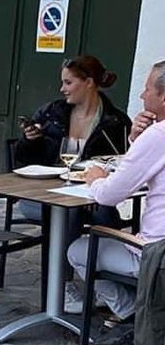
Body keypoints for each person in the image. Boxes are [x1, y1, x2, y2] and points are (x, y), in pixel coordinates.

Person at [65, 60, 165, 322]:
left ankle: (128, 311)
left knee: (77, 249)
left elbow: (110, 195)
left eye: (147, 90)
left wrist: (95, 179)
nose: (142, 95)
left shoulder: (158, 135)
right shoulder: (152, 137)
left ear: (164, 96)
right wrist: (135, 141)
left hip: (156, 254)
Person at [14, 55, 132, 235]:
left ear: (89, 82)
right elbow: (24, 161)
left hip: (89, 195)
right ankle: (67, 262)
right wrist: (31, 140)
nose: (62, 89)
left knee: (105, 215)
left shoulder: (115, 122)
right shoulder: (50, 114)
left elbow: (122, 163)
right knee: (71, 211)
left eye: (68, 83)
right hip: (44, 193)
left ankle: (97, 259)